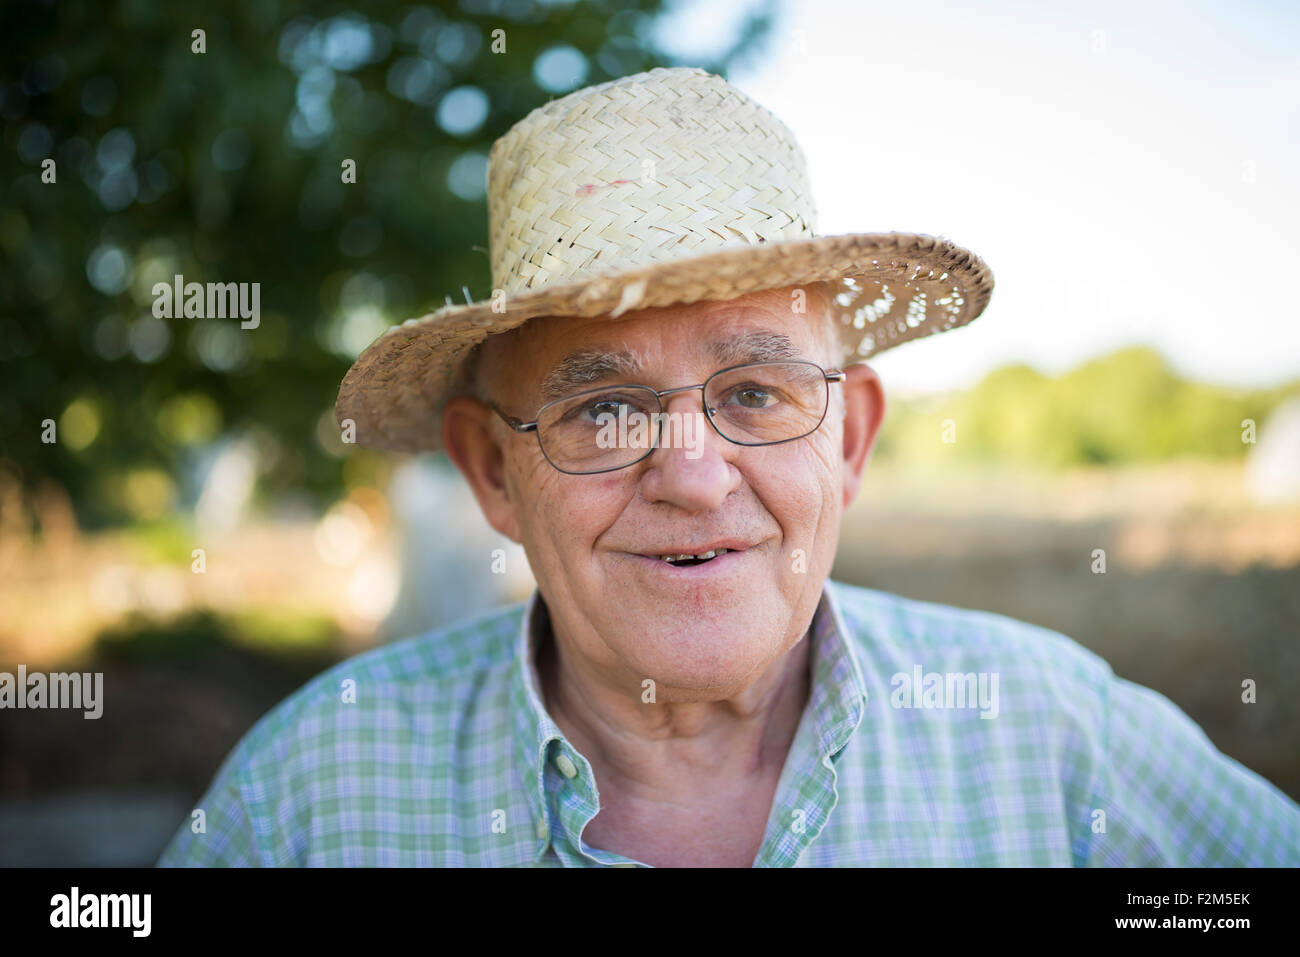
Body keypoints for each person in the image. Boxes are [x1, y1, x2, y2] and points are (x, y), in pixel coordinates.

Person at [158, 67, 1299, 867]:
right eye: (602, 411)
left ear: (848, 440)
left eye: (755, 392)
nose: (694, 478)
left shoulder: (1059, 738)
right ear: (492, 476)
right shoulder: (313, 790)